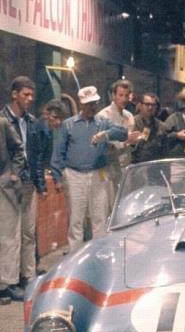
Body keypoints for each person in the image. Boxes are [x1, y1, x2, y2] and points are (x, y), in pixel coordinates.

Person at [51, 86, 129, 252]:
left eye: (94, 103)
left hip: (97, 173)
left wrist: (106, 134)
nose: (91, 107)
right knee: (76, 220)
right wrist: (58, 177)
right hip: (74, 175)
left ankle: (98, 255)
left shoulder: (103, 122)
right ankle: (75, 257)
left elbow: (123, 133)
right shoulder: (69, 125)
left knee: (99, 218)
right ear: (81, 104)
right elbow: (59, 153)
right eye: (88, 104)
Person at [0, 76, 37, 298]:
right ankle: (9, 281)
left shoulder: (29, 121)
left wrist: (15, 173)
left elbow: (23, 151)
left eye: (32, 95)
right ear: (14, 95)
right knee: (9, 234)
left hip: (22, 182)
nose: (30, 99)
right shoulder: (5, 119)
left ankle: (24, 278)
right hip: (8, 185)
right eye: (26, 94)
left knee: (25, 233)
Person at [98, 79, 139, 210]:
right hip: (109, 169)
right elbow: (102, 145)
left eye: (126, 96)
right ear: (114, 95)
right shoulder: (103, 116)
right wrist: (125, 142)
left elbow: (130, 143)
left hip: (126, 167)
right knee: (110, 207)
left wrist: (134, 141)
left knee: (124, 207)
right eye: (120, 95)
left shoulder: (129, 116)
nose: (124, 99)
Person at [0, 118, 25, 305]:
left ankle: (6, 284)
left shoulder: (2, 123)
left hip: (3, 185)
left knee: (8, 235)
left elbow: (18, 148)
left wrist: (14, 174)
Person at [28, 100, 65, 196]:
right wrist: (41, 187)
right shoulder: (38, 129)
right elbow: (37, 159)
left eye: (61, 118)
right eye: (55, 117)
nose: (58, 122)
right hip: (28, 178)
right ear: (46, 114)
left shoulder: (48, 130)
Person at [131, 93, 167, 163]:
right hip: (136, 167)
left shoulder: (162, 126)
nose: (150, 108)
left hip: (154, 167)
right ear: (140, 105)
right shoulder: (131, 122)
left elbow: (165, 151)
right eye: (147, 104)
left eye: (153, 105)